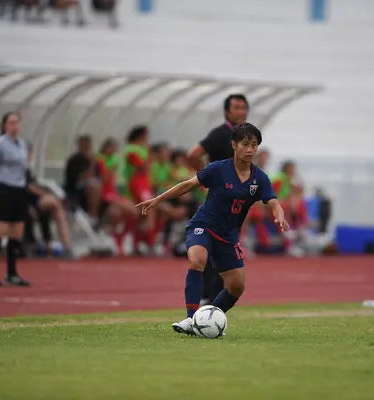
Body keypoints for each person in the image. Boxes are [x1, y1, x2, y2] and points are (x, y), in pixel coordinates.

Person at [136, 123, 289, 335]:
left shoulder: (259, 178)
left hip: (228, 237)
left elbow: (273, 202)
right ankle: (191, 319)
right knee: (197, 260)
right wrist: (158, 199)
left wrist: (279, 215)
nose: (250, 149)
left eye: (254, 145)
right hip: (203, 226)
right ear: (234, 145)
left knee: (237, 286)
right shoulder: (218, 169)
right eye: (245, 144)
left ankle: (207, 320)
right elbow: (188, 185)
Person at [187, 93, 249, 305]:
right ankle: (207, 297)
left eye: (244, 107)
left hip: (234, 205)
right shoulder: (220, 134)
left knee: (225, 246)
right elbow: (194, 154)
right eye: (237, 107)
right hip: (216, 202)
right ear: (227, 112)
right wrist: (207, 180)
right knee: (210, 246)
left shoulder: (245, 138)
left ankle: (214, 297)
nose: (241, 111)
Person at [0, 112, 30, 287]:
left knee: (17, 231)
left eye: (17, 122)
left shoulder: (22, 144)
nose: (15, 126)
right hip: (4, 187)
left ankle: (12, 273)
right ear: (4, 125)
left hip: (19, 188)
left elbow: (24, 167)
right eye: (11, 123)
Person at [25, 143, 74, 258]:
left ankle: (64, 244)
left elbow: (33, 185)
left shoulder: (27, 168)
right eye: (28, 153)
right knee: (55, 204)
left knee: (56, 208)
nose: (30, 156)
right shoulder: (17, 168)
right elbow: (28, 187)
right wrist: (45, 194)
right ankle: (64, 243)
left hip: (35, 201)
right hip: (23, 201)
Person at [122, 126, 156, 254]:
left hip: (143, 184)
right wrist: (149, 156)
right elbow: (141, 167)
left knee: (142, 214)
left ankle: (138, 243)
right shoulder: (132, 149)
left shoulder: (141, 149)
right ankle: (149, 243)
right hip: (137, 183)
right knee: (149, 208)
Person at [64, 135, 102, 226]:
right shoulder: (74, 160)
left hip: (93, 186)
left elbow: (98, 177)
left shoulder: (94, 160)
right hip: (76, 187)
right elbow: (81, 178)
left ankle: (99, 215)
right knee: (92, 186)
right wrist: (91, 165)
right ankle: (92, 215)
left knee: (96, 186)